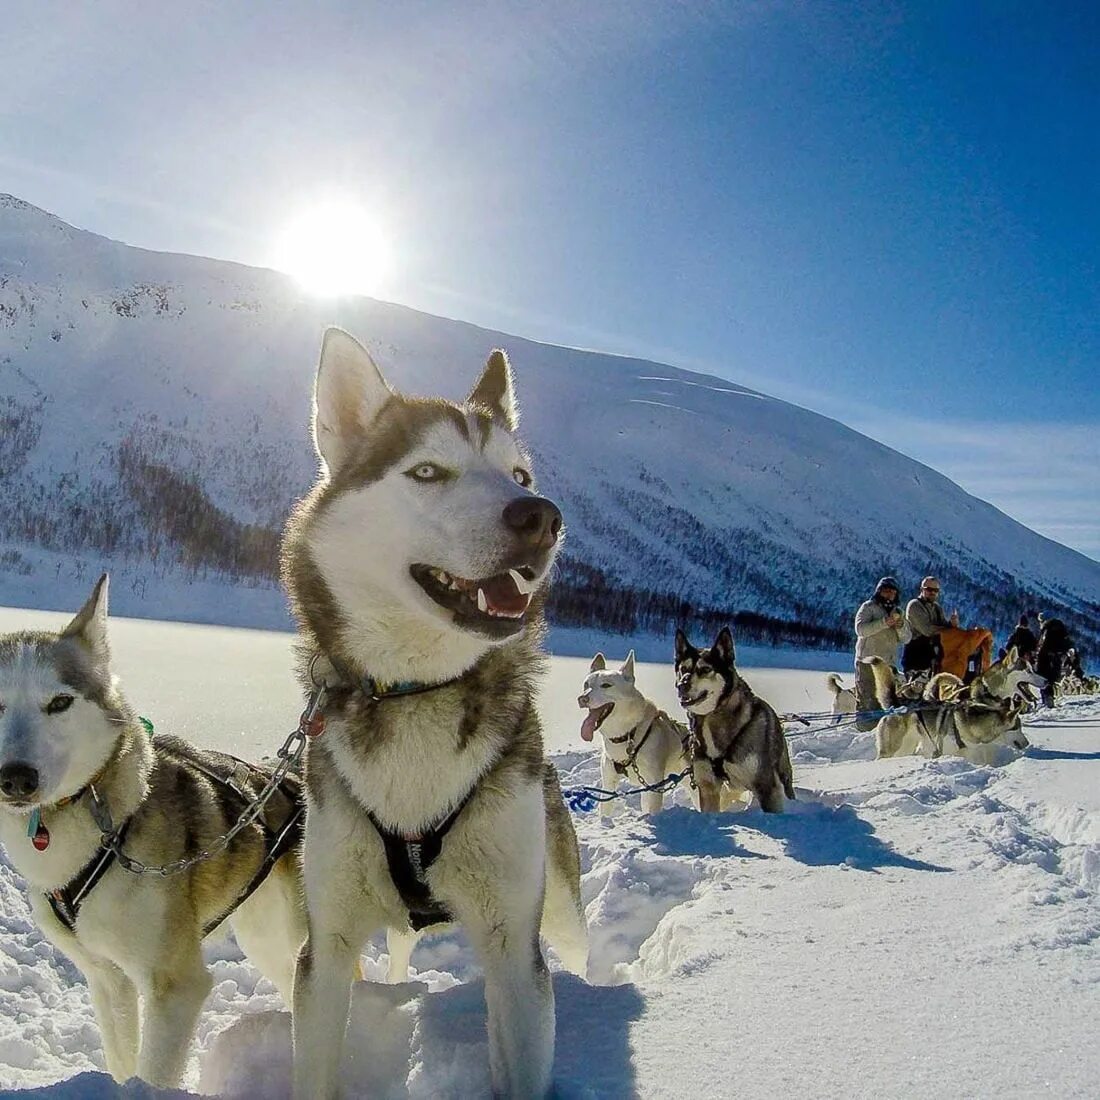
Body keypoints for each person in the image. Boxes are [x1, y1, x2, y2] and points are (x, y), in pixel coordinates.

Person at [854, 576, 911, 730]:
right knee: (867, 699)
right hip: (867, 662)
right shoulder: (868, 607)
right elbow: (860, 630)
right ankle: (864, 732)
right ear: (879, 591)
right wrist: (883, 623)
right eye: (885, 591)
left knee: (885, 699)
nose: (889, 594)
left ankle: (881, 730)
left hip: (888, 664)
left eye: (892, 592)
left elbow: (906, 638)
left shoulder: (898, 611)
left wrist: (900, 626)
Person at [901, 576, 958, 675]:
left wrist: (952, 625)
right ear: (922, 590)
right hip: (915, 656)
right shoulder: (914, 605)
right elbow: (927, 630)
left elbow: (944, 626)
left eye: (935, 590)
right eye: (929, 590)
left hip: (932, 657)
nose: (933, 593)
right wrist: (947, 629)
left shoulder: (937, 608)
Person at [1034, 616, 1072, 707]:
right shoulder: (1061, 628)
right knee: (1052, 678)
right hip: (1058, 656)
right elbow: (1068, 642)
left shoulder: (1046, 629)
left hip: (1045, 655)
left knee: (1043, 678)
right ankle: (1050, 696)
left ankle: (1046, 698)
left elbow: (1042, 643)